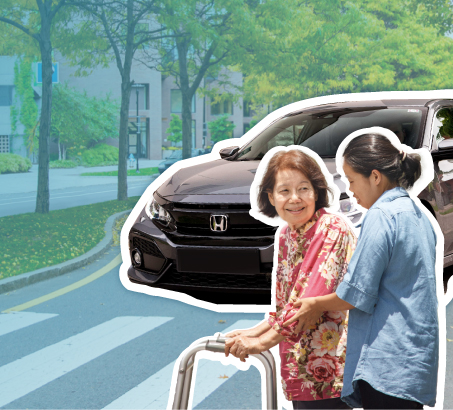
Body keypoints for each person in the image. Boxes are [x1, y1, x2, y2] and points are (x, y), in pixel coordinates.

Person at [284, 133, 439, 409]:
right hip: (413, 359)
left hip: (386, 362)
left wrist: (314, 304)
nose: (350, 189)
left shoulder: (381, 216)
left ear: (375, 177)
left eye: (352, 179)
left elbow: (356, 292)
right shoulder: (416, 215)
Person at [224, 148, 357, 409]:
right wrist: (252, 332)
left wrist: (260, 343)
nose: (295, 199)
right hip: (298, 363)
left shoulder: (331, 228)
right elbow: (286, 306)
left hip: (330, 367)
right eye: (284, 191)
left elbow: (306, 305)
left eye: (304, 189)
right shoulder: (286, 234)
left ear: (316, 192)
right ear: (271, 197)